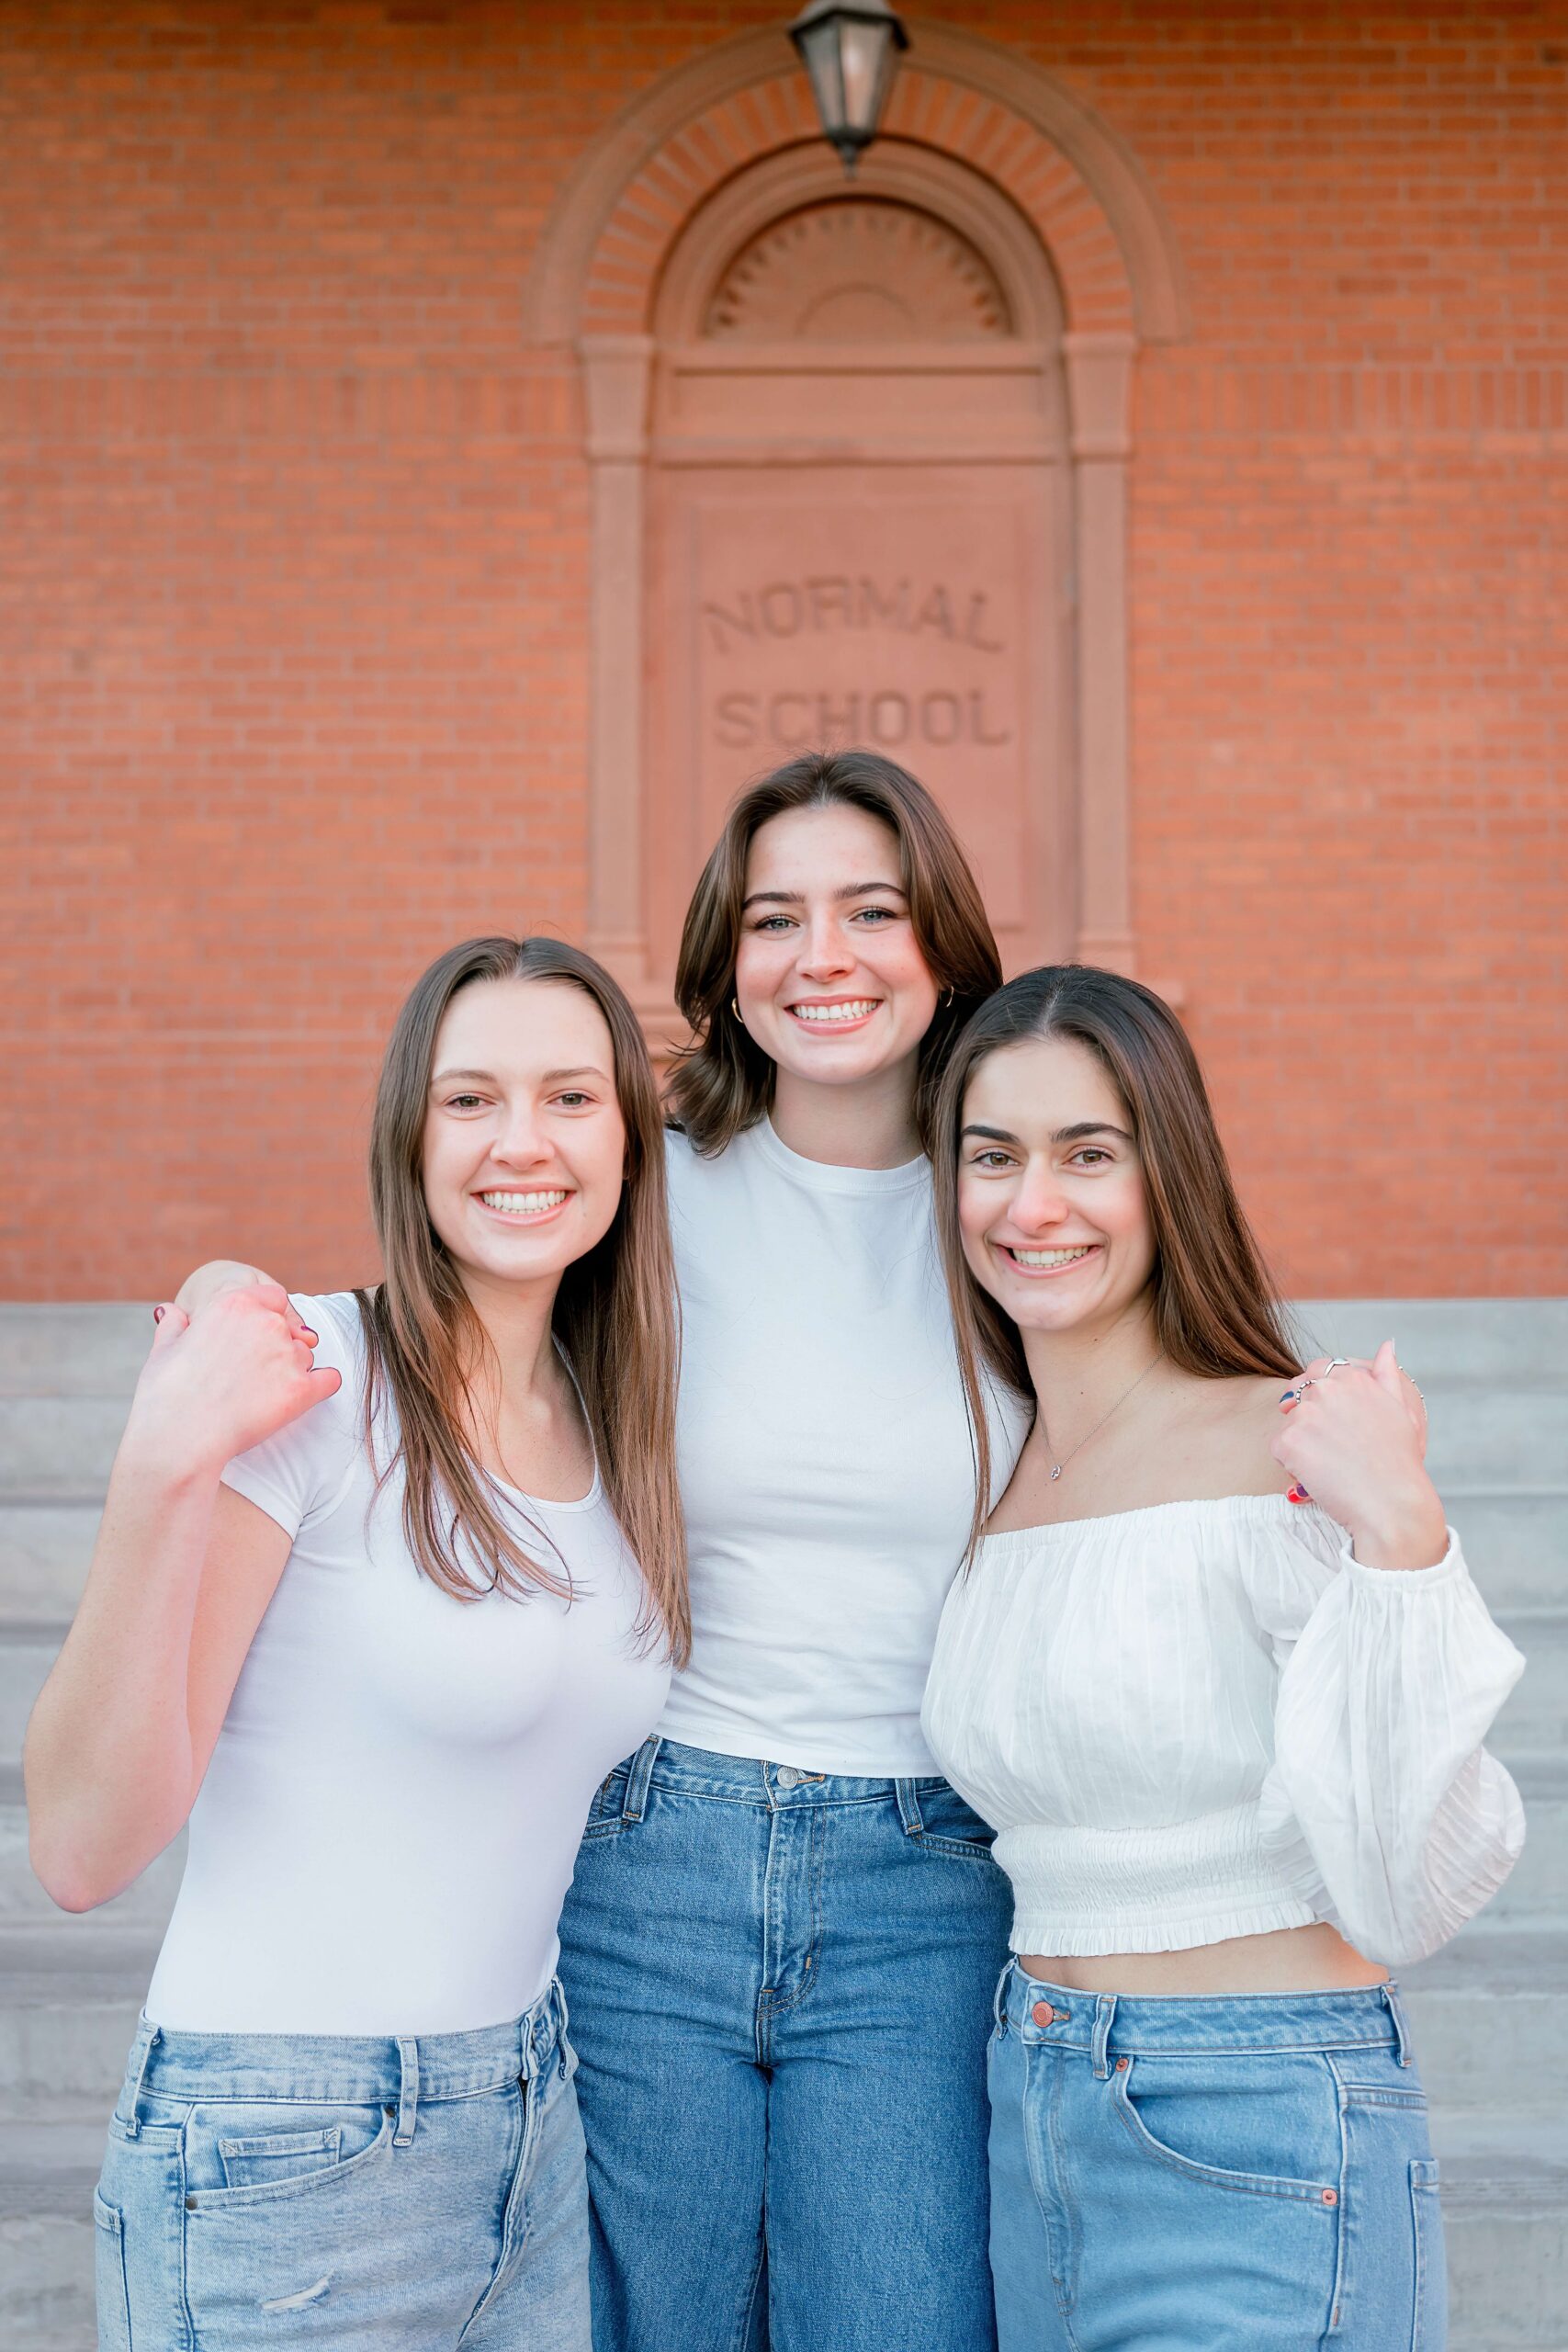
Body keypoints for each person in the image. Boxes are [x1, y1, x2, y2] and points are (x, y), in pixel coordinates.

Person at [173, 751, 1032, 2352]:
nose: (821, 957)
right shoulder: (650, 1182)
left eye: (872, 911)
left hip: (924, 1867)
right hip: (653, 1845)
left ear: (944, 944)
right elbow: (443, 1280)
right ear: (724, 957)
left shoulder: (1008, 1196)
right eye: (775, 918)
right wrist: (234, 1285)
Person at [25, 935, 687, 2352]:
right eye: (471, 1099)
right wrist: (163, 1471)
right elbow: (83, 1849)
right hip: (283, 2147)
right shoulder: (315, 1382)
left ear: (631, 1140)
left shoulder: (609, 1421)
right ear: (408, 1132)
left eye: (573, 1097)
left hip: (528, 2122)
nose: (524, 1142)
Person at [920, 963, 1527, 2352]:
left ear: (1168, 1172)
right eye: (993, 1156)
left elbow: (1401, 1879)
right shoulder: (1006, 1475)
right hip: (1037, 2100)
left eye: (1090, 1154)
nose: (1033, 1206)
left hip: (1256, 2110)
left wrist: (1403, 1533)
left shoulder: (1288, 1447)